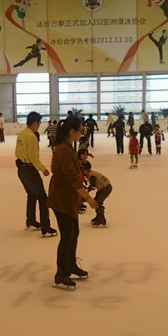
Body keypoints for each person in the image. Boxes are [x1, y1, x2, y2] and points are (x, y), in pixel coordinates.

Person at [47, 116, 98, 289]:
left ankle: (70, 265)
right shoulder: (62, 150)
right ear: (72, 131)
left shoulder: (68, 147)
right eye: (80, 130)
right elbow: (70, 177)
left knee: (74, 232)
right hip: (61, 197)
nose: (82, 133)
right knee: (67, 236)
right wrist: (88, 198)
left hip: (69, 197)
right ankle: (61, 273)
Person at [15, 111, 57, 236]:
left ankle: (31, 220)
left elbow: (17, 152)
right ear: (35, 123)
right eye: (39, 123)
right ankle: (45, 227)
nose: (39, 126)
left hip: (21, 169)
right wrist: (43, 169)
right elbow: (33, 157)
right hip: (30, 170)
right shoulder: (32, 137)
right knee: (43, 198)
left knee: (32, 195)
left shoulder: (22, 134)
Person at [80, 160, 112, 227]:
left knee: (97, 202)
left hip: (105, 188)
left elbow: (93, 186)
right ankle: (99, 216)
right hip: (104, 187)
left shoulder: (91, 176)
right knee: (97, 201)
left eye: (82, 170)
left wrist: (87, 192)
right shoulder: (90, 174)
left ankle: (101, 219)